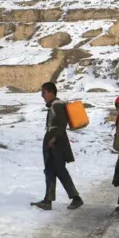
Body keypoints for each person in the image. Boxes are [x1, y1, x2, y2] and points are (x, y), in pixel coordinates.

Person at [31, 82, 83, 210]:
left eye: (43, 92)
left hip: (56, 143)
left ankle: (76, 198)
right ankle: (47, 201)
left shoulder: (57, 105)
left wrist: (53, 139)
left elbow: (62, 125)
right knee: (50, 170)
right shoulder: (54, 105)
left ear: (51, 92)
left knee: (60, 170)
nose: (42, 95)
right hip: (53, 142)